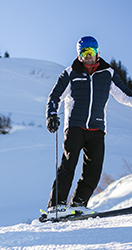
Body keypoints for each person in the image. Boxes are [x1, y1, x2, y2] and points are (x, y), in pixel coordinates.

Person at [45, 36, 132, 217]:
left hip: (97, 129)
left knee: (94, 170)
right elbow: (55, 96)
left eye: (91, 52)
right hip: (75, 127)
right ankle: (56, 205)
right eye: (84, 53)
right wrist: (51, 115)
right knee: (68, 165)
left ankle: (78, 204)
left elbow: (125, 94)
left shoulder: (107, 73)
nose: (88, 57)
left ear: (97, 53)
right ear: (79, 55)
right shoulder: (70, 73)